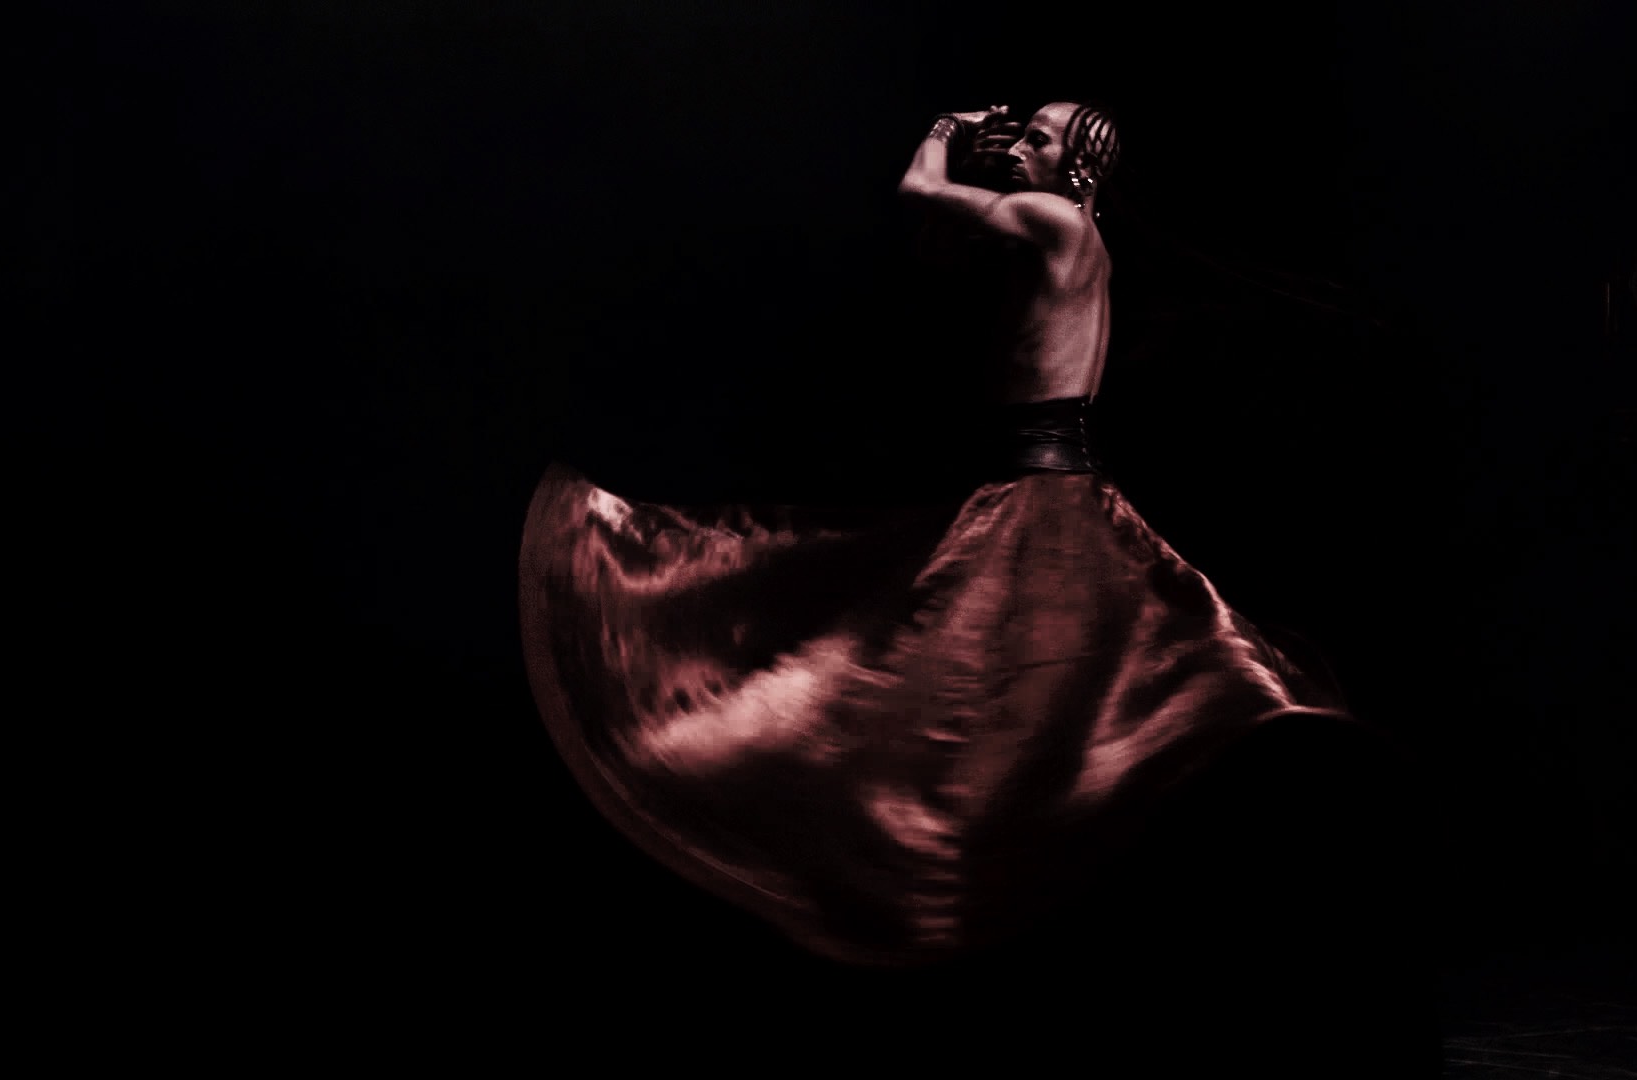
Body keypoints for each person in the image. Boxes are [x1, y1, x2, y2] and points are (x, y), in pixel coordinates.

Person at [519, 100, 1436, 1072]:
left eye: (1040, 137)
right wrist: (981, 166)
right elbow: (938, 249)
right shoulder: (1065, 233)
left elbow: (920, 192)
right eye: (1024, 131)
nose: (1022, 146)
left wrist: (948, 131)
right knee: (1001, 690)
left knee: (930, 671)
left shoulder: (1056, 221)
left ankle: (930, 885)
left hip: (1036, 492)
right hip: (1041, 481)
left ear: (1079, 170)